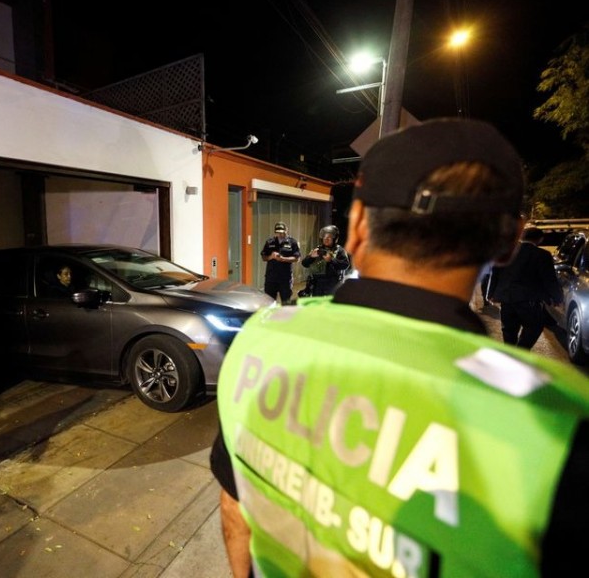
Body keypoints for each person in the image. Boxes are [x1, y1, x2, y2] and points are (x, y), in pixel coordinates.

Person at [210, 119, 589, 577]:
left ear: (355, 228)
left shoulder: (260, 338)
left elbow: (235, 515)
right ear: (510, 239)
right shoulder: (559, 424)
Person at [487, 226, 564, 349]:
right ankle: (521, 351)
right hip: (529, 302)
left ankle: (512, 355)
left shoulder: (506, 253)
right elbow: (549, 279)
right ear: (540, 239)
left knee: (508, 331)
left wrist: (490, 294)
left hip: (507, 300)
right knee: (534, 327)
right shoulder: (542, 255)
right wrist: (557, 298)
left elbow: (494, 273)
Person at [300, 224, 351, 296]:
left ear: (335, 238)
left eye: (329, 237)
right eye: (324, 237)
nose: (326, 239)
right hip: (317, 284)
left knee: (331, 306)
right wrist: (311, 257)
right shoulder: (317, 249)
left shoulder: (339, 250)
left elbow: (345, 265)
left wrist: (331, 260)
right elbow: (304, 264)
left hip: (333, 284)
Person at [259, 221, 300, 305]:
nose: (280, 235)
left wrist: (283, 259)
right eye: (278, 233)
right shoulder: (269, 242)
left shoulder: (292, 242)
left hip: (285, 278)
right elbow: (264, 257)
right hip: (271, 278)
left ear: (286, 230)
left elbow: (296, 258)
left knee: (286, 302)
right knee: (269, 302)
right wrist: (271, 256)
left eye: (282, 232)